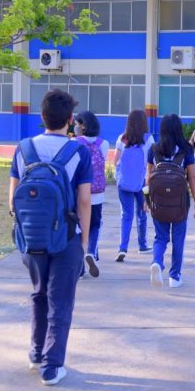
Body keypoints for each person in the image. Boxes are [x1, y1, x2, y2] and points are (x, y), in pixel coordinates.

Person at [9, 88, 92, 386]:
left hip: (32, 237)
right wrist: (83, 243)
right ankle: (52, 366)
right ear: (70, 120)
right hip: (67, 236)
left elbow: (12, 199)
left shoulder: (23, 148)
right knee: (61, 300)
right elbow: (84, 201)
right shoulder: (78, 151)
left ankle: (35, 354)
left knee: (39, 293)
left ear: (42, 116)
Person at [145, 114, 195, 288]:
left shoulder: (154, 149)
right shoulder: (186, 149)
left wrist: (146, 200)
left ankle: (157, 262)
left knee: (160, 237)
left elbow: (148, 177)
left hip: (158, 201)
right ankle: (175, 276)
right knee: (178, 239)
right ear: (178, 129)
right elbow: (192, 177)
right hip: (180, 203)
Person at [113, 109, 154, 262]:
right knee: (142, 214)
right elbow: (151, 163)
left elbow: (116, 161)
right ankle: (142, 245)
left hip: (123, 183)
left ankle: (122, 248)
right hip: (142, 182)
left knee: (126, 215)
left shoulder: (122, 138)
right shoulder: (148, 139)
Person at [73, 110, 108, 278]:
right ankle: (91, 252)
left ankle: (79, 267)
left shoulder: (74, 143)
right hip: (98, 193)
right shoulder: (104, 144)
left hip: (79, 192)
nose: (76, 126)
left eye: (78, 123)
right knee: (95, 225)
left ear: (83, 126)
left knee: (78, 228)